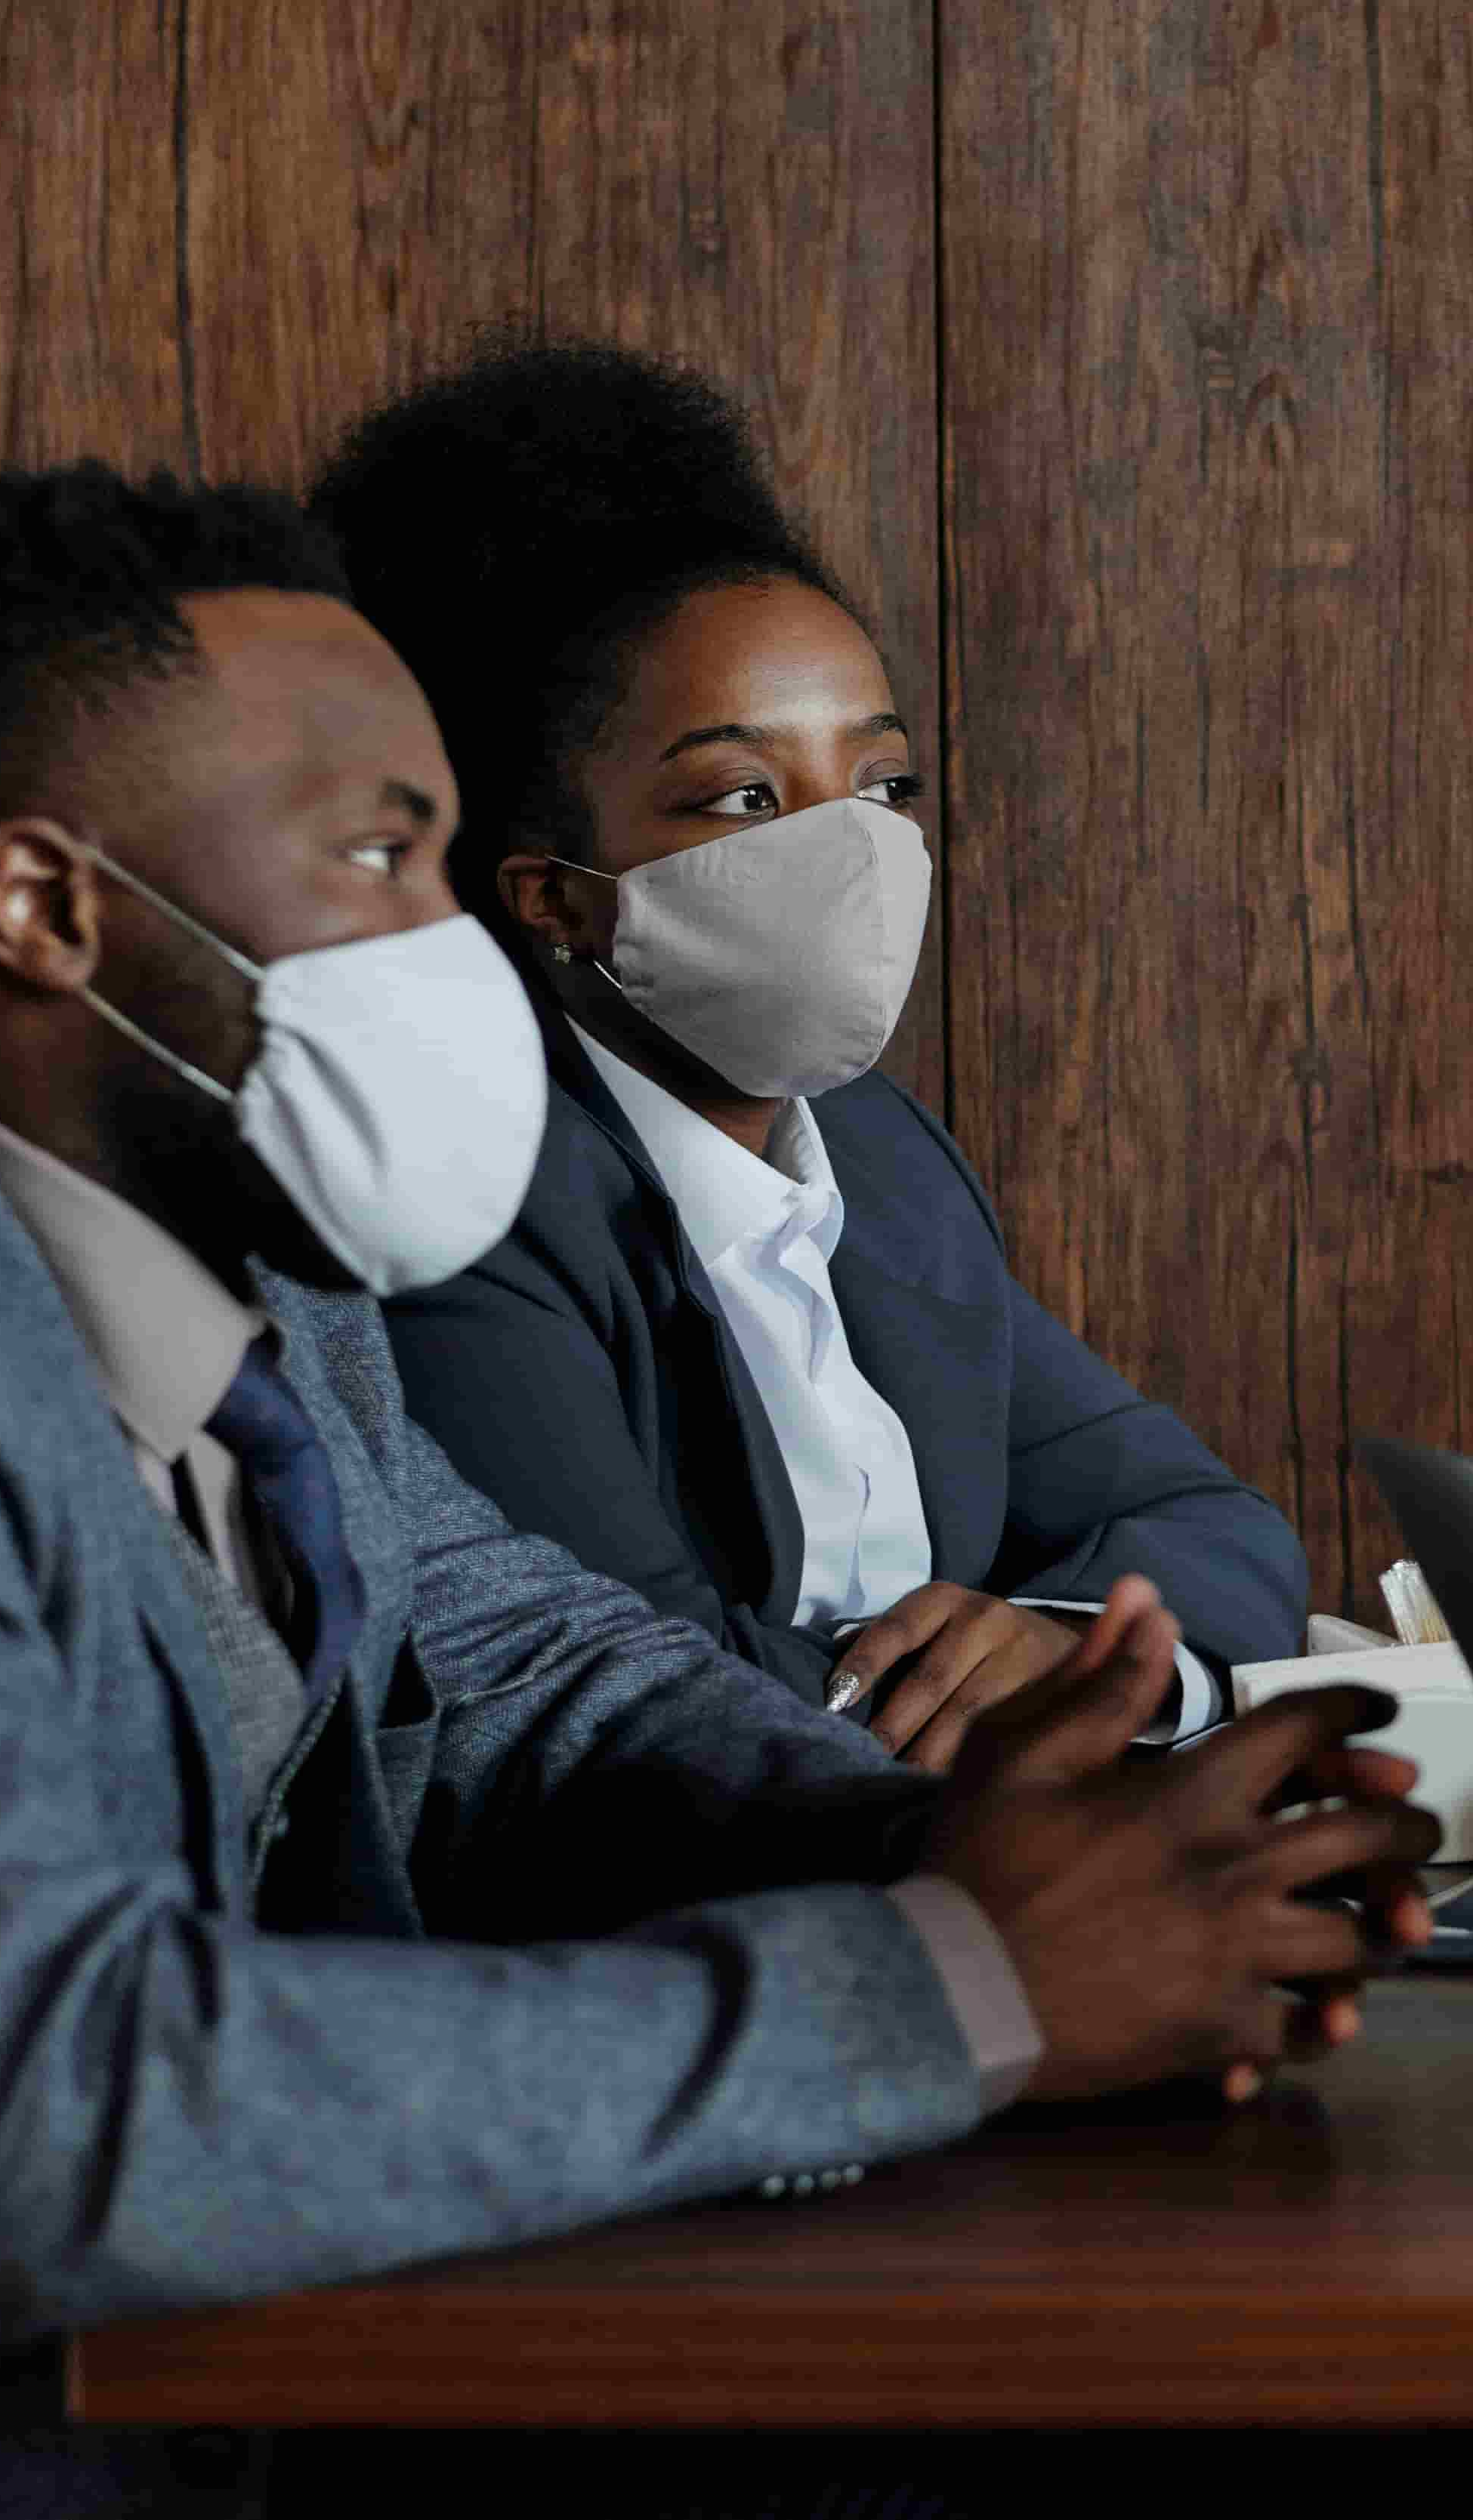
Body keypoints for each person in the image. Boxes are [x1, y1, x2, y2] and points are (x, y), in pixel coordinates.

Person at [0, 461, 1436, 2520]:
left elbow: (530, 1670)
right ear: (48, 910)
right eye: (383, 852)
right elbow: (52, 2105)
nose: (454, 943)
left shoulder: (249, 1266)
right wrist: (958, 1980)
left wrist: (1001, 1842)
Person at [307, 338, 1304, 1775]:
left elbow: (1213, 1524)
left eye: (882, 782)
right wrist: (996, 1710)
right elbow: (637, 1688)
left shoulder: (882, 1158)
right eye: (745, 794)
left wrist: (1055, 1642)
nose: (850, 847)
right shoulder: (469, 1202)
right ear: (553, 895)